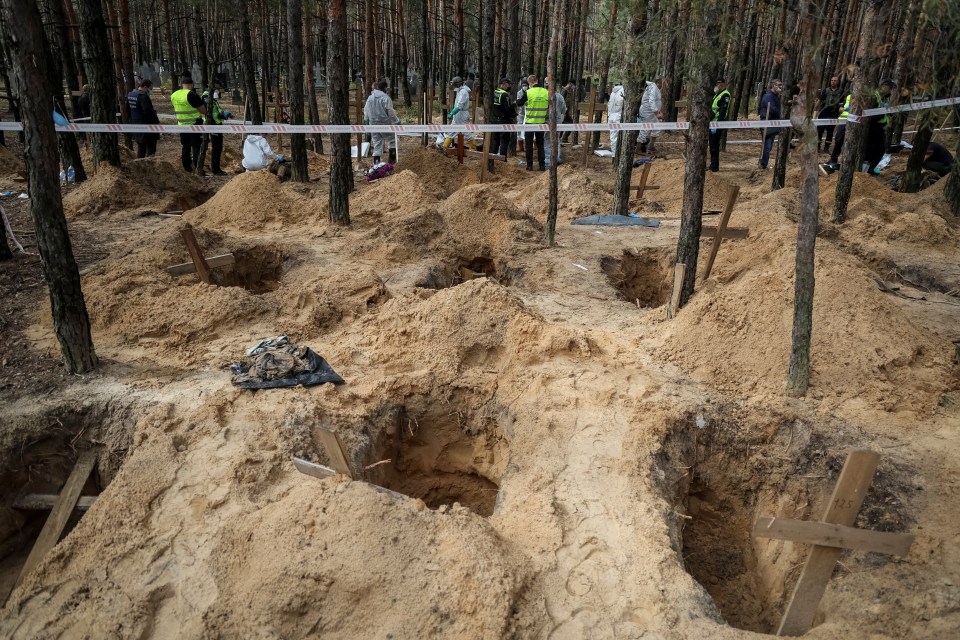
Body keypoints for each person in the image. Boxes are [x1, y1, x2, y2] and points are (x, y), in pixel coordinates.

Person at [170, 76, 206, 173]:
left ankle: (187, 168)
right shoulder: (192, 95)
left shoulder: (174, 95)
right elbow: (203, 111)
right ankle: (198, 168)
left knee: (185, 146)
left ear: (182, 84)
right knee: (196, 146)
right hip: (194, 124)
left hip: (181, 124)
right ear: (192, 85)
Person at [516, 74, 548, 171]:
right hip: (541, 122)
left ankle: (529, 165)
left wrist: (516, 101)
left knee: (529, 145)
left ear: (530, 83)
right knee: (540, 144)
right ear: (537, 81)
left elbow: (519, 103)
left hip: (530, 122)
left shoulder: (528, 92)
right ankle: (542, 165)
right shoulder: (545, 92)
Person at [364, 79, 400, 164]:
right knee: (392, 141)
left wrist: (366, 122)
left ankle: (377, 166)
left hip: (373, 125)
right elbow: (390, 111)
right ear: (384, 88)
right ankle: (392, 163)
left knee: (377, 145)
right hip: (385, 124)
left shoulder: (370, 98)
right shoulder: (385, 98)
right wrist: (396, 120)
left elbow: (366, 111)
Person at [864, 78, 894, 174]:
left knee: (881, 149)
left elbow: (885, 113)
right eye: (889, 88)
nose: (890, 90)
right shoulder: (875, 96)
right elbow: (869, 112)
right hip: (871, 126)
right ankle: (864, 171)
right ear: (884, 86)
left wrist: (888, 115)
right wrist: (880, 114)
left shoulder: (885, 98)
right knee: (869, 149)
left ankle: (871, 169)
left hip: (880, 127)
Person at [126, 79, 160, 158]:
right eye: (149, 88)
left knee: (141, 148)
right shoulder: (143, 97)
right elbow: (148, 112)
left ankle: (139, 165)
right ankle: (150, 166)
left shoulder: (131, 95)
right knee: (151, 149)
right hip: (147, 127)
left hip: (136, 125)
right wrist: (156, 122)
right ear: (145, 87)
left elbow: (127, 109)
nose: (149, 91)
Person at [202, 85, 231, 175]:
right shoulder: (207, 99)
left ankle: (216, 168)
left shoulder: (213, 100)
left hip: (217, 125)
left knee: (218, 148)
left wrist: (225, 114)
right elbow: (211, 114)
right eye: (217, 90)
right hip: (213, 126)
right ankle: (215, 169)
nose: (218, 92)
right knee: (216, 148)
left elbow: (217, 111)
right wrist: (222, 116)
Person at [820, 93, 851, 174]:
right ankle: (833, 159)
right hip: (843, 122)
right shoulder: (848, 96)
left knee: (848, 143)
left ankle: (844, 162)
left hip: (853, 122)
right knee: (838, 140)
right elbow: (841, 107)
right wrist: (842, 108)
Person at [758, 79, 783, 169]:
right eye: (779, 85)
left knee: (769, 146)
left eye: (781, 85)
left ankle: (764, 163)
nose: (780, 87)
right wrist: (782, 115)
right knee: (767, 146)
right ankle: (763, 164)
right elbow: (773, 109)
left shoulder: (777, 97)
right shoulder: (768, 96)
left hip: (773, 124)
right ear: (773, 86)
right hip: (767, 123)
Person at [817, 75, 845, 154]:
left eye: (835, 80)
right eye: (832, 80)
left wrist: (840, 110)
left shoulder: (841, 92)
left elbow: (843, 103)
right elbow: (819, 100)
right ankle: (818, 146)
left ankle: (826, 147)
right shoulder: (825, 91)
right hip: (823, 112)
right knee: (819, 130)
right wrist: (815, 110)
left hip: (833, 113)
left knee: (830, 131)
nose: (833, 82)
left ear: (838, 82)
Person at [443, 76, 473, 148]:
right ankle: (445, 147)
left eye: (453, 84)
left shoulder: (463, 92)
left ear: (457, 84)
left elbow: (459, 106)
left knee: (466, 132)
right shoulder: (459, 91)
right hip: (458, 115)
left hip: (461, 115)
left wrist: (452, 113)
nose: (452, 85)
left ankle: (474, 148)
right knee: (451, 131)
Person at [709, 79, 730, 172]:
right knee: (712, 145)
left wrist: (717, 122)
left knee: (714, 145)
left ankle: (714, 166)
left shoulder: (725, 95)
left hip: (716, 123)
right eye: (717, 85)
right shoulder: (717, 94)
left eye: (719, 85)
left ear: (723, 85)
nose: (717, 87)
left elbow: (722, 111)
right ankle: (712, 164)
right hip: (712, 122)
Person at [491, 77, 516, 158]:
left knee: (496, 141)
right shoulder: (505, 95)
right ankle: (502, 161)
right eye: (509, 84)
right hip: (504, 120)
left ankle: (493, 159)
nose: (509, 86)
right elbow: (507, 110)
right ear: (504, 84)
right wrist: (513, 105)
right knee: (504, 141)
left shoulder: (495, 92)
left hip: (495, 120)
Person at [637, 77, 664, 154]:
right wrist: (657, 113)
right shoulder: (652, 88)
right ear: (659, 83)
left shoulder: (656, 89)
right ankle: (638, 149)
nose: (663, 85)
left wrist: (659, 112)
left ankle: (651, 146)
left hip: (652, 113)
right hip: (647, 112)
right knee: (645, 129)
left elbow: (656, 102)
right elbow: (651, 101)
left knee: (657, 127)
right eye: (662, 83)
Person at [544, 90, 567, 167]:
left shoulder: (544, 95)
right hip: (558, 121)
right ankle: (556, 158)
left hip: (547, 121)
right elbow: (564, 109)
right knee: (556, 139)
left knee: (547, 140)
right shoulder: (560, 96)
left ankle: (548, 160)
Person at [606, 83, 625, 154]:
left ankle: (614, 150)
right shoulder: (623, 91)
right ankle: (615, 152)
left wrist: (609, 115)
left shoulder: (613, 92)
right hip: (618, 115)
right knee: (616, 136)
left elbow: (609, 104)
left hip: (611, 115)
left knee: (613, 135)